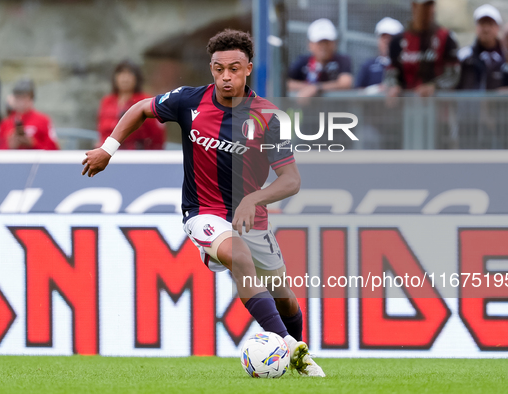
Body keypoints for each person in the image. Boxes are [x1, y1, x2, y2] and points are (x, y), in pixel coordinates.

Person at [82, 29, 325, 377]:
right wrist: (108, 149)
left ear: (249, 69)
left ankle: (299, 360)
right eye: (219, 68)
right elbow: (140, 108)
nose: (226, 76)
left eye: (235, 68)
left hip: (249, 218)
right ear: (211, 68)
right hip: (202, 212)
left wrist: (255, 198)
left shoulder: (268, 117)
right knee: (238, 255)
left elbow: (291, 180)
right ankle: (289, 345)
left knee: (283, 296)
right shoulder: (188, 101)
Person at [386, 0, 460, 97]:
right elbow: (391, 73)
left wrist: (435, 86)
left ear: (433, 7)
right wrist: (393, 86)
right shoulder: (398, 40)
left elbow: (453, 75)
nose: (424, 11)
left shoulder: (446, 38)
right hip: (406, 104)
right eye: (420, 6)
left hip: (437, 104)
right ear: (413, 6)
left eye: (428, 5)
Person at [97, 60, 165, 149]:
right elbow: (102, 130)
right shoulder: (107, 101)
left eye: (129, 74)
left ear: (137, 78)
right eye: (121, 73)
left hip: (137, 156)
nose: (125, 78)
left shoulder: (146, 101)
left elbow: (157, 135)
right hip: (108, 154)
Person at [288, 18, 353, 97]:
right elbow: (286, 83)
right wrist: (309, 88)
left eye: (327, 42)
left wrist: (317, 88)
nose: (323, 46)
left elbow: (345, 83)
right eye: (319, 42)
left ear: (334, 43)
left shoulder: (342, 60)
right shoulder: (302, 61)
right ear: (310, 44)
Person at [0, 78, 59, 150]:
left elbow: (54, 149)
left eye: (24, 97)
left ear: (31, 99)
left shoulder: (43, 120)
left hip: (35, 160)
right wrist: (9, 145)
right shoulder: (5, 123)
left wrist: (33, 143)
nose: (21, 102)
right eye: (18, 97)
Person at [457, 4, 505, 90]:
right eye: (482, 24)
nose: (486, 29)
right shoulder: (464, 56)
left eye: (490, 24)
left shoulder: (506, 57)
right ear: (476, 27)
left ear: (498, 27)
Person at [356, 17, 404, 90]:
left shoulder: (406, 65)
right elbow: (357, 92)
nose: (387, 41)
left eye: (391, 38)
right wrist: (376, 89)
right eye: (383, 37)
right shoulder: (368, 65)